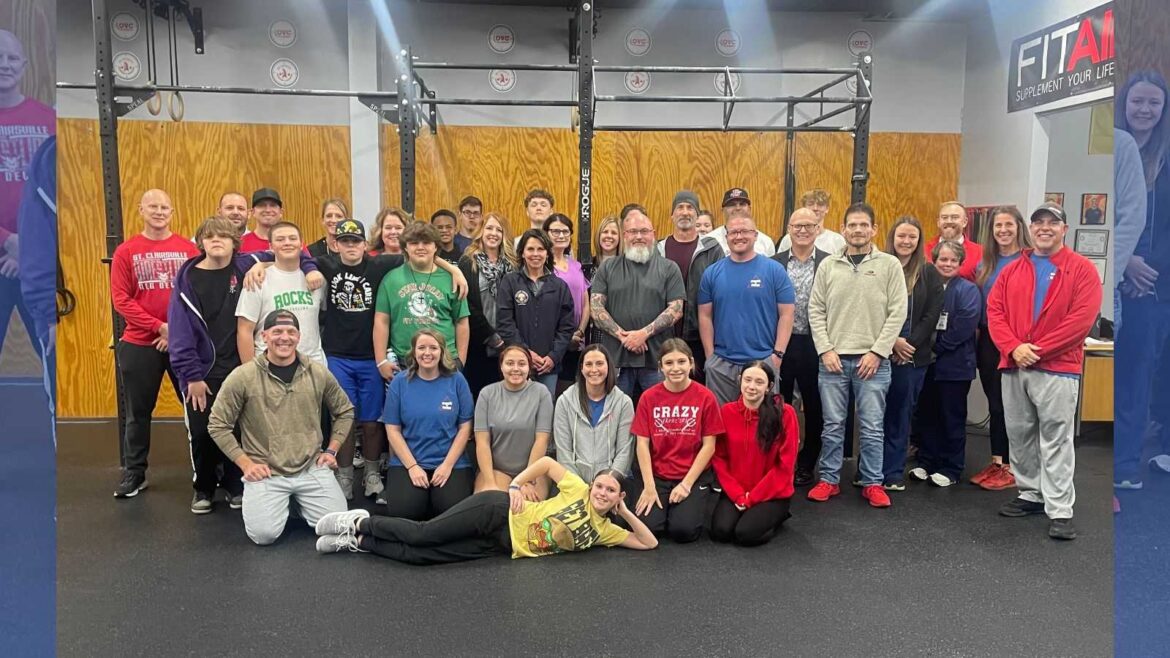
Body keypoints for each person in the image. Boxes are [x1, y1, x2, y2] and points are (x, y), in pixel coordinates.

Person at [169, 217, 320, 514]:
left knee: (241, 427)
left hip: (239, 362)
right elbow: (180, 332)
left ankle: (234, 484)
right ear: (201, 242)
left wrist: (308, 267)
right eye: (210, 236)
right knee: (203, 430)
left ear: (234, 243)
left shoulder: (245, 265)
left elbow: (289, 252)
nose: (217, 241)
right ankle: (204, 488)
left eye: (224, 237)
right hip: (203, 369)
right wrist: (191, 376)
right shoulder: (187, 280)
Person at [314, 218, 464, 500]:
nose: (351, 246)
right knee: (346, 418)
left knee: (375, 422)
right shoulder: (325, 265)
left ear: (365, 244)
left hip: (378, 358)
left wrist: (455, 270)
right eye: (345, 241)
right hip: (344, 356)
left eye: (356, 241)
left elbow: (424, 254)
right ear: (335, 244)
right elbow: (287, 256)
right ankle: (347, 476)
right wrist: (264, 266)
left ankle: (375, 474)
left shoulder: (379, 265)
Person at [988, 202, 1100, 540]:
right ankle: (1031, 494)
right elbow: (995, 312)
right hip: (1014, 365)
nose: (1045, 228)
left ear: (1064, 229)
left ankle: (1060, 509)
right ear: (1031, 228)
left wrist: (1036, 350)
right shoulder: (1012, 270)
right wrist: (1013, 347)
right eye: (1039, 222)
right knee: (1019, 434)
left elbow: (1081, 321)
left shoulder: (1081, 269)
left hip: (1057, 368)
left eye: (1053, 222)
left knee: (1056, 438)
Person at [312, 456, 657, 561]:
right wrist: (515, 484)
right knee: (423, 534)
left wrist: (624, 513)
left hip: (502, 545)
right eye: (600, 486)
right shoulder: (579, 489)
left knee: (421, 557)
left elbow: (648, 543)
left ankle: (360, 542)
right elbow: (547, 463)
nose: (601, 492)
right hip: (498, 509)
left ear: (618, 496)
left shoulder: (605, 531)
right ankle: (360, 522)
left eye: (610, 491)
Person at [207, 309, 354, 545]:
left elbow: (345, 411)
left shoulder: (317, 372)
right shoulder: (243, 376)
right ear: (264, 336)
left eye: (291, 332)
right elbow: (217, 424)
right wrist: (246, 464)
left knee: (338, 527)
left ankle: (296, 503)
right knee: (263, 536)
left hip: (310, 467)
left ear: (299, 337)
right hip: (266, 471)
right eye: (277, 332)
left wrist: (331, 450)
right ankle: (285, 502)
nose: (284, 338)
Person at [806, 202, 907, 508]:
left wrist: (878, 352)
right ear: (843, 229)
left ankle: (872, 482)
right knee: (833, 425)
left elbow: (897, 311)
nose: (858, 230)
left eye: (864, 225)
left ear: (874, 229)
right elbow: (815, 309)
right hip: (833, 361)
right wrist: (825, 349)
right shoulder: (828, 266)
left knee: (872, 427)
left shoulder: (889, 265)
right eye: (852, 225)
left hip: (873, 362)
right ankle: (829, 479)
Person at [109, 189, 200, 499]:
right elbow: (121, 300)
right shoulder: (126, 251)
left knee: (197, 408)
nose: (159, 212)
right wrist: (160, 327)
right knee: (137, 412)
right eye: (153, 206)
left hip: (183, 343)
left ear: (172, 212)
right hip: (139, 343)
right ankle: (135, 473)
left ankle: (208, 471)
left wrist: (176, 332)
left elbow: (195, 296)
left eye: (164, 207)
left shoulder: (188, 250)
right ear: (141, 210)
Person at [1114, 70, 1170, 489]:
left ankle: (1125, 467)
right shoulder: (1116, 150)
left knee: (1137, 375)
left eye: (1154, 102)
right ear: (1125, 104)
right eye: (1137, 101)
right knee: (1119, 374)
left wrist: (1147, 270)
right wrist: (1126, 262)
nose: (1145, 109)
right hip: (1119, 278)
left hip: (1153, 287)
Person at [628, 338, 723, 542]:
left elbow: (709, 446)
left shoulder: (706, 397)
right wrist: (649, 486)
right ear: (660, 367)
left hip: (692, 475)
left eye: (681, 361)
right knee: (648, 528)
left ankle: (688, 504)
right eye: (669, 363)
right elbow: (642, 444)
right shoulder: (648, 397)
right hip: (659, 475)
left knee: (683, 531)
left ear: (691, 363)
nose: (676, 368)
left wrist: (686, 485)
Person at [590, 204, 686, 402]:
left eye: (644, 231)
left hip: (657, 361)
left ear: (653, 234)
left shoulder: (669, 268)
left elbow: (676, 309)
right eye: (633, 232)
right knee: (615, 415)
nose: (639, 236)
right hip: (616, 360)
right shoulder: (608, 268)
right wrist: (624, 336)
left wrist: (643, 334)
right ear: (624, 236)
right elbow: (596, 308)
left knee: (660, 413)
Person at [698, 214, 795, 405]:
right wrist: (710, 358)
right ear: (726, 237)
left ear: (755, 235)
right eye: (733, 232)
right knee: (722, 420)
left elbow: (787, 314)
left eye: (744, 231)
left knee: (765, 419)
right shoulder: (712, 273)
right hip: (721, 365)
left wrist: (777, 356)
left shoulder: (774, 270)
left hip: (763, 362)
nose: (739, 236)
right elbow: (704, 316)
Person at [0, 30, 54, 361]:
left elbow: (56, 198)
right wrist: (8, 240)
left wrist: (27, 249)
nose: (4, 65)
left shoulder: (49, 120)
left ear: (24, 65)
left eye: (11, 58)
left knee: (51, 353)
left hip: (37, 260)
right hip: (9, 251)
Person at [381, 329, 475, 520]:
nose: (427, 353)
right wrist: (413, 467)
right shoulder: (399, 382)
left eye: (433, 348)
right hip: (409, 461)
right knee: (405, 512)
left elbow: (465, 427)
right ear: (414, 351)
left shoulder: (457, 380)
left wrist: (447, 465)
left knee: (452, 513)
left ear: (442, 351)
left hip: (450, 462)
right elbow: (393, 430)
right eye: (421, 347)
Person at [880, 216, 944, 490]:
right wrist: (892, 342)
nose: (906, 241)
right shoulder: (879, 267)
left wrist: (907, 345)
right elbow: (870, 308)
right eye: (901, 236)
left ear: (919, 242)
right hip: (880, 352)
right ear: (892, 238)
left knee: (900, 415)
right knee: (874, 416)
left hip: (913, 357)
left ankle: (892, 473)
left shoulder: (928, 273)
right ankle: (869, 470)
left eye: (912, 237)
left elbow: (931, 315)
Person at [970, 206, 1031, 490]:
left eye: (1009, 225)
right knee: (996, 404)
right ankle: (999, 462)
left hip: (1016, 343)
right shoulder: (986, 265)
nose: (1003, 230)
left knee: (1015, 406)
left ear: (1019, 227)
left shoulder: (1030, 261)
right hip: (988, 342)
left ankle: (1016, 466)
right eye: (998, 226)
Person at [910, 241, 980, 487]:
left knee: (952, 417)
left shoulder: (968, 290)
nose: (947, 264)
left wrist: (936, 348)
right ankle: (926, 461)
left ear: (961, 264)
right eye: (943, 259)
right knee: (927, 415)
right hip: (927, 365)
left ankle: (951, 468)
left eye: (953, 260)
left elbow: (964, 325)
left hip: (955, 365)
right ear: (934, 260)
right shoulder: (926, 287)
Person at [772, 208, 832, 487]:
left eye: (809, 225)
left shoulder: (831, 262)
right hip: (781, 342)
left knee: (815, 405)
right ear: (789, 229)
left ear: (818, 229)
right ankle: (780, 460)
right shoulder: (774, 263)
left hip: (816, 343)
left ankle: (807, 464)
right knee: (778, 404)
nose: (803, 230)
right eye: (797, 226)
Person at [710, 362, 798, 546]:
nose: (751, 386)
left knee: (746, 534)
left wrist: (752, 498)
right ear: (740, 380)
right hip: (737, 491)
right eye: (747, 380)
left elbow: (785, 466)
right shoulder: (726, 412)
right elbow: (719, 458)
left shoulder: (785, 413)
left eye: (759, 382)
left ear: (769, 386)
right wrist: (738, 495)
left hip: (772, 493)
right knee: (721, 532)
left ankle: (778, 515)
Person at [374, 222, 470, 378]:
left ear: (435, 246)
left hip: (446, 361)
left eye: (426, 242)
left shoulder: (452, 280)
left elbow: (462, 322)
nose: (420, 247)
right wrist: (381, 361)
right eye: (414, 243)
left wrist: (461, 360)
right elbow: (381, 321)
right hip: (404, 362)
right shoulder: (391, 279)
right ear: (405, 247)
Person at [496, 229, 576, 400]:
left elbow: (567, 327)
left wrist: (553, 357)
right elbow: (504, 323)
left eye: (540, 249)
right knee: (517, 409)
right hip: (517, 364)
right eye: (530, 249)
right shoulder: (510, 282)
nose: (535, 254)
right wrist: (525, 353)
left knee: (545, 408)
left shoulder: (560, 286)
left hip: (549, 366)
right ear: (522, 253)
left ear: (547, 253)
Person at [236, 222, 326, 364]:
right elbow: (244, 330)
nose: (287, 243)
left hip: (312, 364)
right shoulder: (257, 279)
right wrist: (251, 371)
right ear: (271, 247)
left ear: (301, 244)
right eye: (280, 239)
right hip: (269, 366)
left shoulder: (318, 279)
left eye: (292, 238)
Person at [657, 191, 724, 382]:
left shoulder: (712, 249)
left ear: (697, 215)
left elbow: (721, 293)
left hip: (700, 337)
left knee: (698, 390)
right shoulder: (658, 249)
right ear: (672, 215)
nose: (685, 212)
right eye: (680, 207)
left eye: (690, 208)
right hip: (664, 336)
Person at [473, 346, 554, 499]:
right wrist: (489, 482)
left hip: (533, 470)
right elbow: (482, 442)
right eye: (510, 363)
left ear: (529, 367)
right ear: (501, 366)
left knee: (527, 509)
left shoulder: (541, 393)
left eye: (522, 364)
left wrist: (527, 480)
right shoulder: (487, 394)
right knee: (491, 503)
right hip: (496, 470)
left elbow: (541, 440)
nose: (515, 369)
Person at [554, 344, 635, 479]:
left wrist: (605, 484)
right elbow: (563, 452)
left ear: (608, 366)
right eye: (588, 364)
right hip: (574, 482)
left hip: (610, 483)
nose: (594, 369)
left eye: (599, 363)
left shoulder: (624, 403)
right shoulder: (564, 402)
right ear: (581, 368)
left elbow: (624, 451)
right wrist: (578, 486)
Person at [458, 212, 517, 397]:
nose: (493, 233)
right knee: (479, 395)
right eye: (489, 228)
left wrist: (507, 338)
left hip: (509, 343)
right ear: (481, 231)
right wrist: (491, 336)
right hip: (478, 342)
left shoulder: (513, 264)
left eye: (499, 230)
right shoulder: (468, 262)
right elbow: (466, 302)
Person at [543, 213, 590, 382]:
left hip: (577, 341)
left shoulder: (576, 265)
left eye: (565, 231)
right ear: (546, 234)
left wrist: (580, 332)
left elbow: (586, 303)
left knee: (572, 387)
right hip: (552, 342)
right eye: (555, 231)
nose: (561, 235)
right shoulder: (542, 266)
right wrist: (565, 337)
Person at [707, 188, 776, 257]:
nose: (738, 208)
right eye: (732, 204)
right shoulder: (710, 240)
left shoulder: (766, 242)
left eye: (742, 204)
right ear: (723, 210)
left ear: (749, 209)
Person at [924, 201, 983, 282]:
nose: (949, 221)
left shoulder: (980, 253)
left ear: (965, 222)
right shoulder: (924, 251)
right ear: (938, 222)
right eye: (944, 217)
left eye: (955, 217)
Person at [777, 189, 847, 254]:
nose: (815, 208)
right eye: (810, 204)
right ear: (804, 207)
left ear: (827, 209)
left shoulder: (837, 240)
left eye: (820, 204)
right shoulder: (789, 239)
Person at [239, 188, 285, 253]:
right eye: (261, 205)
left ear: (281, 212)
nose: (268, 210)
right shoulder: (240, 244)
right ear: (253, 212)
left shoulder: (291, 243)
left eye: (273, 205)